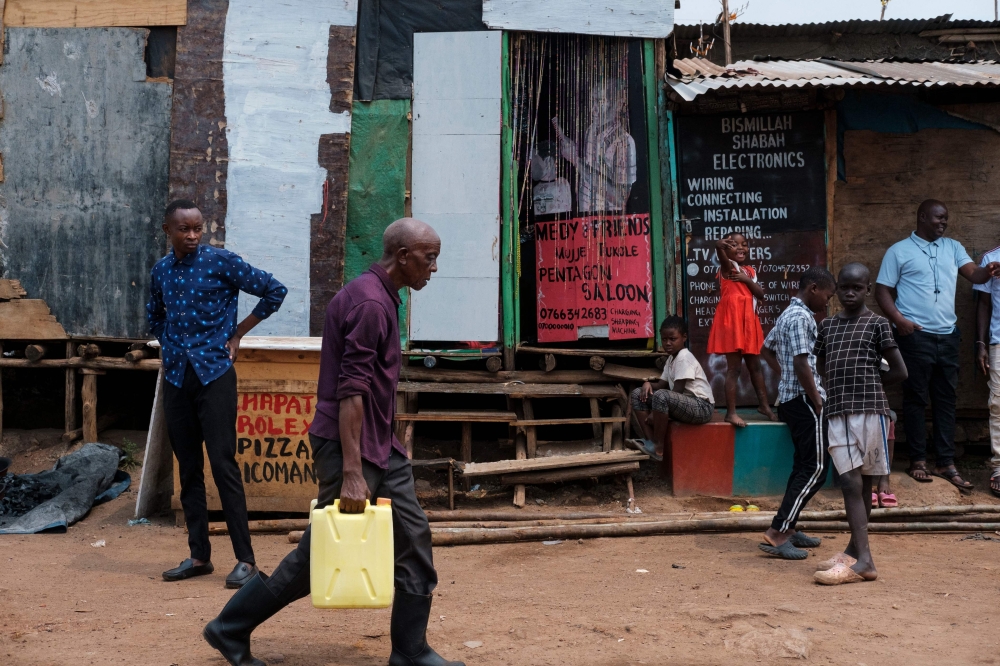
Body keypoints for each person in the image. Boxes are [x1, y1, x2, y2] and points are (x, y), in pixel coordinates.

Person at [203, 219, 465, 666]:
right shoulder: (370, 305)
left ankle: (410, 651)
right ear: (403, 256)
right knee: (320, 552)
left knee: (414, 536)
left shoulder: (376, 295)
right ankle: (229, 627)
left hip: (377, 445)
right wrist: (350, 473)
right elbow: (351, 391)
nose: (434, 267)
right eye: (430, 257)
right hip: (352, 448)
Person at [148, 200, 287, 588]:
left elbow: (274, 291)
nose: (192, 236)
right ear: (167, 230)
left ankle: (245, 560)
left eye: (197, 228)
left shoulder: (221, 262)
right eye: (184, 229)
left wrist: (238, 332)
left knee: (223, 464)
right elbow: (154, 314)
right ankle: (198, 556)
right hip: (177, 377)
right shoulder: (160, 270)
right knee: (188, 467)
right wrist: (172, 346)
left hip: (215, 375)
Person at [874, 199, 1000, 491]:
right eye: (938, 218)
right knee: (916, 398)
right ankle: (917, 460)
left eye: (946, 218)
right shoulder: (899, 251)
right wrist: (899, 321)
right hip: (914, 336)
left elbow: (973, 274)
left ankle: (946, 462)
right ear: (921, 217)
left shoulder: (953, 247)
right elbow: (882, 290)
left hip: (947, 335)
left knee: (946, 400)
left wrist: (989, 269)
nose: (943, 223)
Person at [813, 263, 907, 585]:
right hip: (838, 412)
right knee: (852, 483)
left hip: (870, 410)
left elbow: (899, 371)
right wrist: (835, 386)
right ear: (837, 289)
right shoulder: (826, 327)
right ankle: (856, 552)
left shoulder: (878, 324)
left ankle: (863, 559)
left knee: (861, 483)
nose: (850, 293)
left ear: (868, 290)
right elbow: (822, 362)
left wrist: (869, 381)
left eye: (857, 288)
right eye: (844, 287)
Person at [758, 267, 836, 560]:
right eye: (827, 297)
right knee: (816, 468)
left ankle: (789, 528)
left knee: (803, 465)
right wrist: (817, 399)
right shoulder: (802, 317)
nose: (827, 303)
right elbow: (803, 363)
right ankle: (778, 533)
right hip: (805, 400)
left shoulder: (786, 314)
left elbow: (766, 350)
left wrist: (785, 374)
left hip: (791, 399)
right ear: (813, 288)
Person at [707, 232, 778, 427]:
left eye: (744, 244)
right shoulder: (728, 268)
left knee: (756, 366)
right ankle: (731, 413)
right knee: (734, 369)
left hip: (749, 323)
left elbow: (760, 294)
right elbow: (722, 257)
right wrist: (717, 246)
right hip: (733, 324)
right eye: (734, 245)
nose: (740, 248)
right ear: (727, 249)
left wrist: (746, 280)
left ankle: (765, 406)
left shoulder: (749, 271)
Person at [630, 316, 715, 461]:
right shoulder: (671, 359)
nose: (667, 343)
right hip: (683, 404)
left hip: (701, 407)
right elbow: (661, 385)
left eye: (672, 339)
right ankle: (651, 443)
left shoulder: (683, 357)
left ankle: (658, 446)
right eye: (664, 339)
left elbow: (677, 391)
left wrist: (654, 413)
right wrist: (648, 383)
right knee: (637, 393)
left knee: (661, 396)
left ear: (684, 337)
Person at [975, 242, 1000, 497]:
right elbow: (983, 304)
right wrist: (981, 344)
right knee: (998, 404)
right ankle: (999, 468)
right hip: (998, 340)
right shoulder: (991, 259)